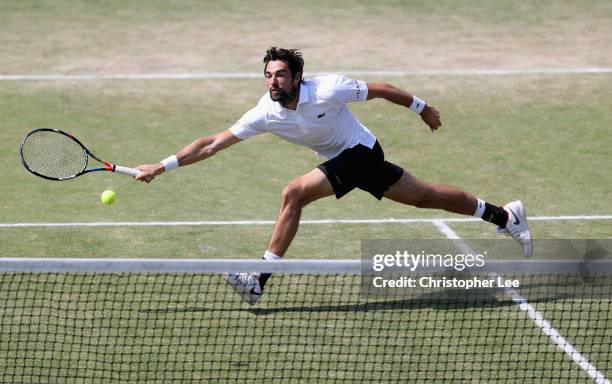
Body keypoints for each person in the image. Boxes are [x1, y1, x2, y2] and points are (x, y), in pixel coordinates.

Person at [135, 47, 533, 305]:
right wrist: (162, 164)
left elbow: (381, 89)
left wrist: (422, 107)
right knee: (425, 196)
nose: (272, 82)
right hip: (348, 162)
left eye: (279, 75)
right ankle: (505, 216)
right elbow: (211, 143)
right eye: (268, 76)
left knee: (293, 193)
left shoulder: (329, 88)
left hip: (361, 152)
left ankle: (258, 279)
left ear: (296, 76)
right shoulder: (265, 112)